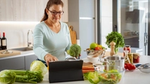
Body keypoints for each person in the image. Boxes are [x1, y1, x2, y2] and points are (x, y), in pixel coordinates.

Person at [33, 0, 72, 66]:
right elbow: (37, 48)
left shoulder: (65, 26)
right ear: (47, 11)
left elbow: (68, 47)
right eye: (53, 12)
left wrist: (74, 52)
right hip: (46, 65)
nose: (57, 15)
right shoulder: (40, 27)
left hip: (63, 65)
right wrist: (46, 56)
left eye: (59, 12)